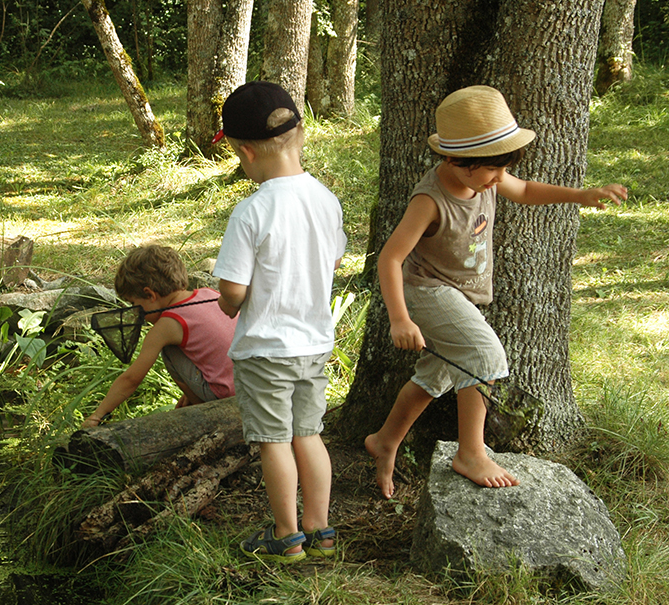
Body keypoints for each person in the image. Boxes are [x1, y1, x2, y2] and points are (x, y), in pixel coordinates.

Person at [365, 85, 628, 499]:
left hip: (458, 295)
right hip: (429, 291)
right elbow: (390, 258)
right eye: (492, 170)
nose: (498, 179)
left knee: (436, 377)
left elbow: (523, 191)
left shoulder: (487, 174)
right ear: (458, 160)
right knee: (485, 358)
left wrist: (580, 196)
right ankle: (470, 451)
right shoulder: (430, 201)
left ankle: (385, 440)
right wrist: (401, 318)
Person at [213, 81, 347, 562]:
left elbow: (232, 291)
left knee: (273, 442)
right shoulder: (325, 200)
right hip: (314, 345)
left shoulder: (251, 211)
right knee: (308, 435)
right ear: (300, 134)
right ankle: (321, 529)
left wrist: (229, 306)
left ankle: (286, 535)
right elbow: (331, 263)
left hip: (265, 351)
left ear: (245, 152)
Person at [81, 245, 237, 428]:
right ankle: (197, 398)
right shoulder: (208, 294)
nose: (135, 310)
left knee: (169, 350)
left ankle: (203, 409)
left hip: (225, 398)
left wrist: (98, 415)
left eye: (134, 303)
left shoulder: (167, 324)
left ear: (150, 294)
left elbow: (132, 378)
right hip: (252, 385)